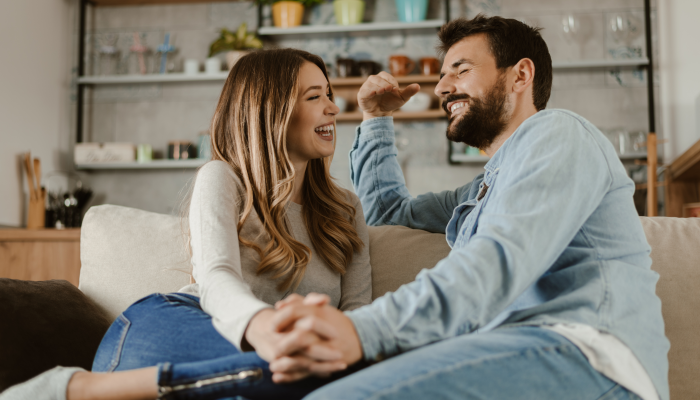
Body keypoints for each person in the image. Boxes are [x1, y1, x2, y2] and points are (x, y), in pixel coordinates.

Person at [266, 15, 670, 400]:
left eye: (460, 70)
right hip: (511, 353)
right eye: (443, 75)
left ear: (520, 75)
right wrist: (375, 118)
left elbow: (495, 262)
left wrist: (361, 331)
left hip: (589, 357)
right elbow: (387, 215)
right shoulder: (485, 187)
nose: (442, 87)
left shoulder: (560, 134)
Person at [0, 48, 371, 400]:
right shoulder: (224, 178)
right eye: (314, 97)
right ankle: (79, 390)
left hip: (271, 355)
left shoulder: (347, 210)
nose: (333, 108)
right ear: (270, 112)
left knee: (325, 369)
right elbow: (217, 277)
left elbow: (359, 311)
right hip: (173, 326)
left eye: (329, 94)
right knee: (301, 370)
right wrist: (262, 328)